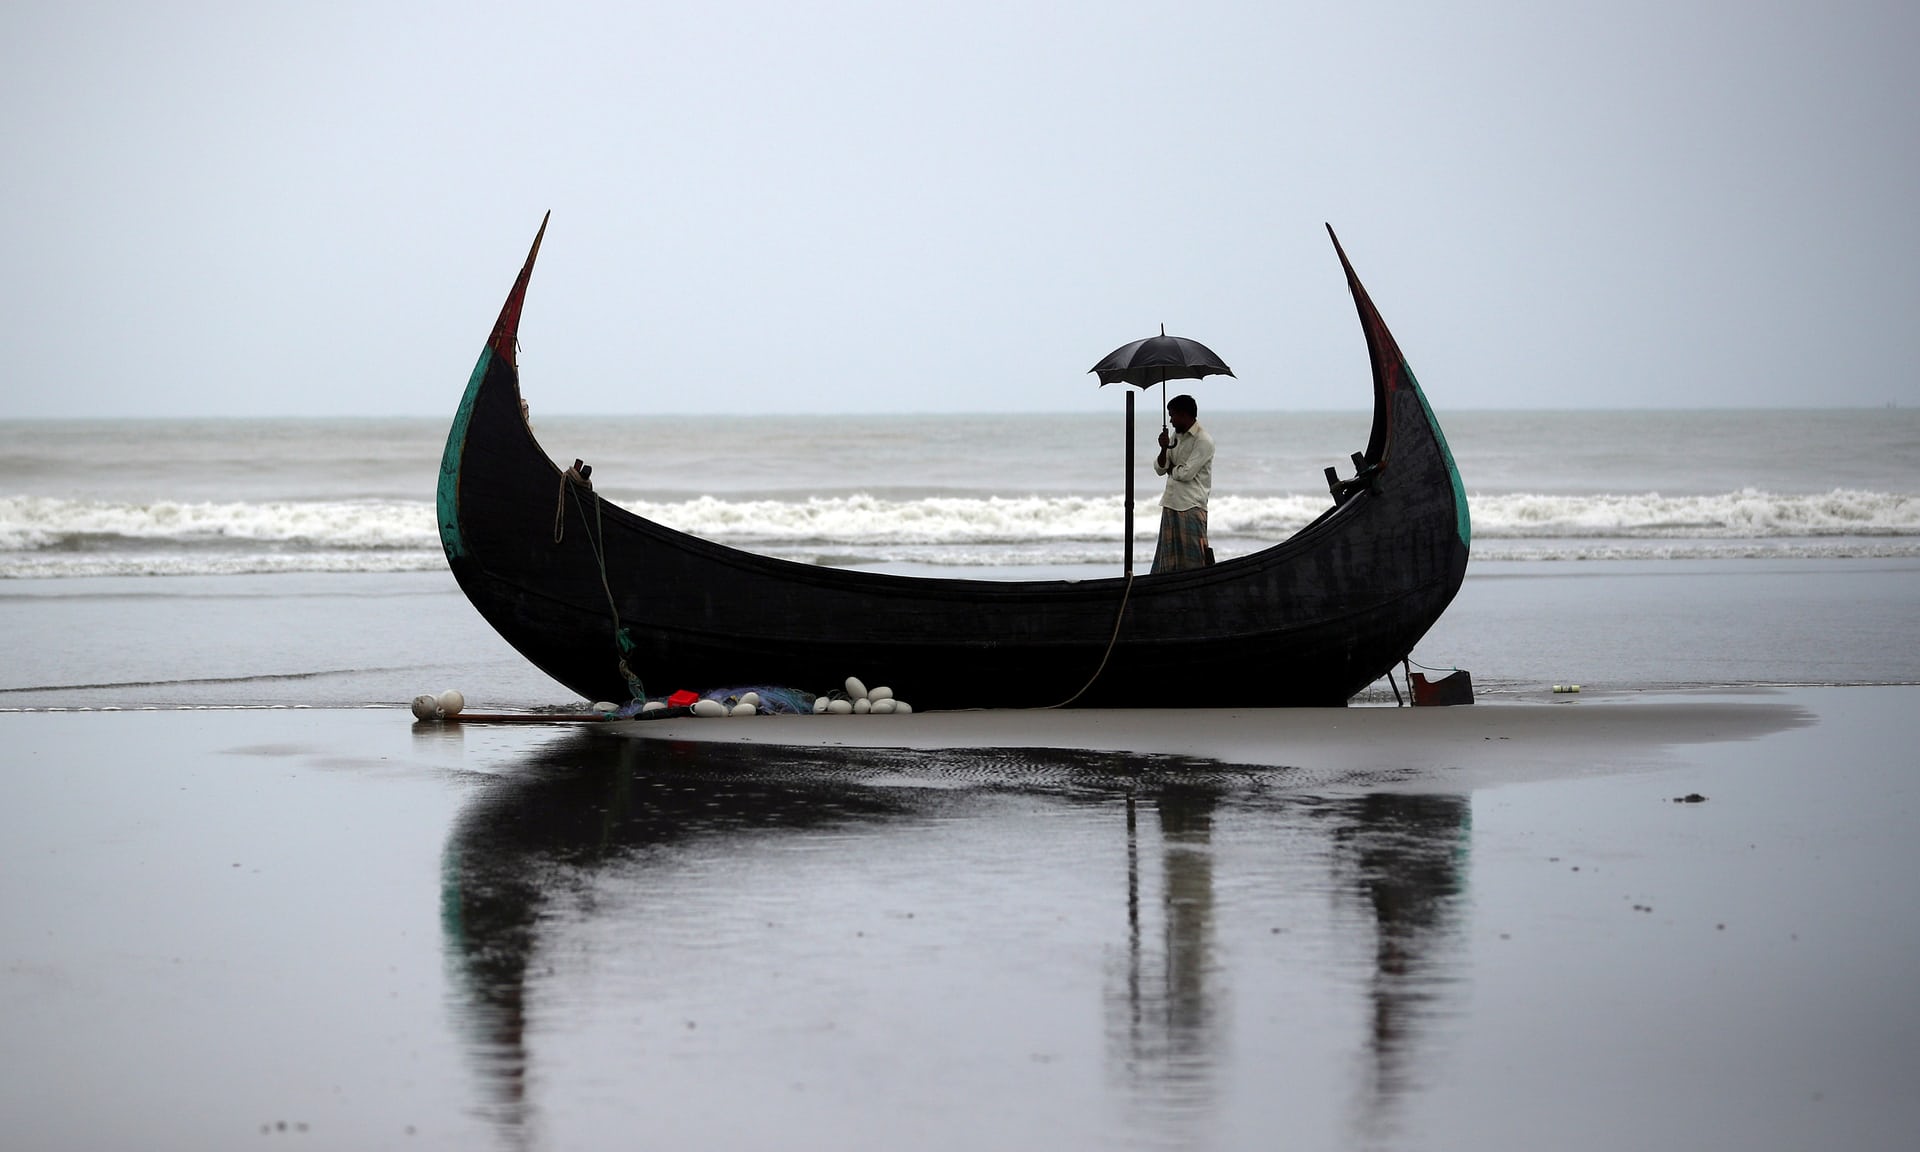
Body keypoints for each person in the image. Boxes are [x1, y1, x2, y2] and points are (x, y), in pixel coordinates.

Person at [1151, 393, 1213, 573]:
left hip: (1191, 505)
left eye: (1173, 416)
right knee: (1169, 561)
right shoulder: (1175, 437)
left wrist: (1173, 469)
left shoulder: (1203, 440)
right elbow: (1160, 468)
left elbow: (1186, 473)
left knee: (1195, 561)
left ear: (1184, 414)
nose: (1170, 421)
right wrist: (1163, 449)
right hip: (1172, 502)